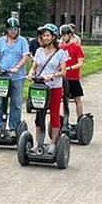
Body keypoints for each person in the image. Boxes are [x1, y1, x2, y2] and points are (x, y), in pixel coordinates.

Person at [27, 24, 68, 155]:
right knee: (39, 115)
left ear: (53, 37)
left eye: (48, 35)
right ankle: (38, 142)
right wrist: (30, 74)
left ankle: (53, 143)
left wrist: (52, 75)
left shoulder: (60, 53)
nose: (45, 38)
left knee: (54, 114)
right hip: (40, 87)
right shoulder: (39, 51)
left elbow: (63, 72)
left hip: (54, 87)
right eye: (43, 35)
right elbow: (34, 67)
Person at [0, 17, 29, 138]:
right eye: (11, 29)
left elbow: (25, 56)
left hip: (17, 77)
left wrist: (17, 67)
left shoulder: (22, 41)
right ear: (7, 30)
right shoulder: (1, 41)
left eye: (15, 29)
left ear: (18, 29)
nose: (13, 31)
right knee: (0, 103)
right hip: (2, 76)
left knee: (16, 103)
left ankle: (13, 128)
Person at [59, 24, 85, 120]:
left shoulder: (76, 47)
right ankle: (65, 119)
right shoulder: (61, 48)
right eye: (62, 35)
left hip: (73, 77)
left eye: (65, 35)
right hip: (63, 78)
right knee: (64, 100)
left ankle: (80, 118)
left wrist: (70, 68)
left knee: (77, 99)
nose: (63, 37)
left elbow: (80, 63)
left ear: (70, 35)